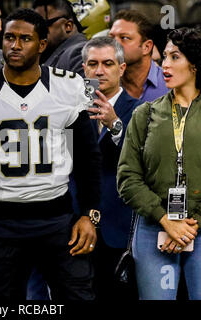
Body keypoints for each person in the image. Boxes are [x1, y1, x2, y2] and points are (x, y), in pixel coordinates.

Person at [0, 8, 102, 300]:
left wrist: (89, 215)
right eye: (9, 38)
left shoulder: (68, 87)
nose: (14, 46)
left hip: (57, 220)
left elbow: (88, 159)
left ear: (42, 45)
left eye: (24, 39)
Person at [117, 27, 201, 300]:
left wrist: (191, 225)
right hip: (154, 228)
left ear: (195, 64)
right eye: (165, 56)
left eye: (175, 57)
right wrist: (165, 220)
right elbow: (127, 178)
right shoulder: (144, 115)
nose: (165, 64)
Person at [81, 36, 142, 299]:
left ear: (122, 68)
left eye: (107, 63)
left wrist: (116, 126)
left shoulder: (140, 111)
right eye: (92, 64)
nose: (99, 71)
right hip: (76, 226)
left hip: (119, 227)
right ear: (84, 68)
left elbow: (143, 162)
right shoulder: (69, 112)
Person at [109, 9, 168, 102]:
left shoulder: (172, 86)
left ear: (146, 47)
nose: (113, 44)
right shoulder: (103, 86)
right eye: (111, 37)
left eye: (124, 38)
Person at [33, 0, 86, 76]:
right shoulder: (53, 52)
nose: (38, 30)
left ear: (68, 26)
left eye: (44, 24)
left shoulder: (79, 53)